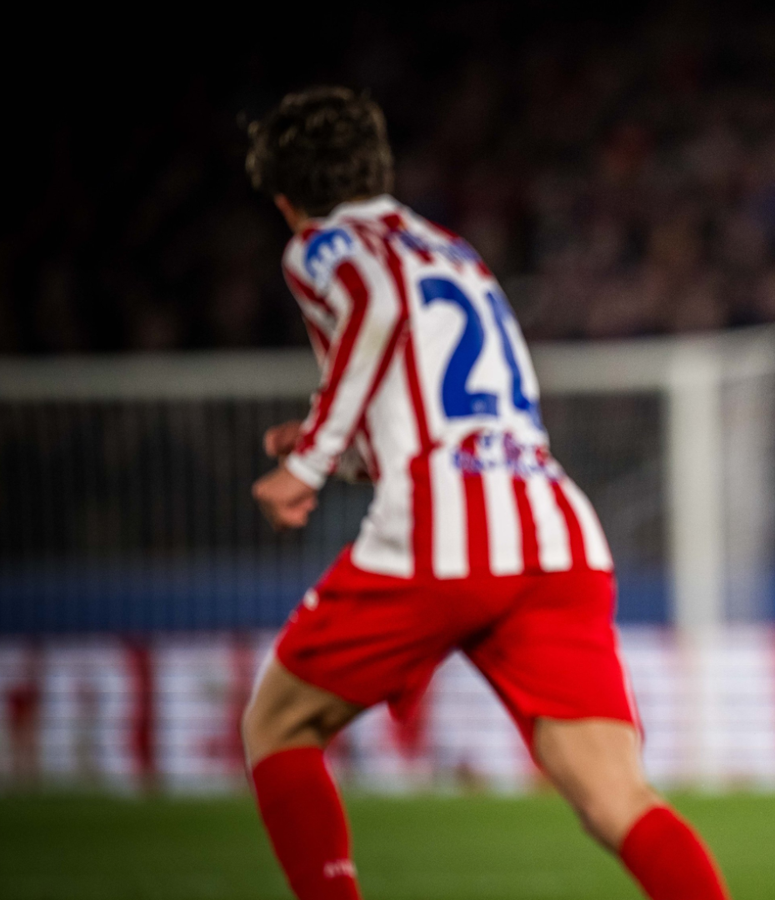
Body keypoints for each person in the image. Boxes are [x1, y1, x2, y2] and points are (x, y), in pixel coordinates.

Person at [240, 87, 730, 900]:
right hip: (553, 528)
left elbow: (375, 307)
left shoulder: (322, 245)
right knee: (616, 797)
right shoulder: (452, 250)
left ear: (287, 202)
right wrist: (348, 448)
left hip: (445, 533)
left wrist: (313, 460)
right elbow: (452, 406)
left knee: (278, 726)